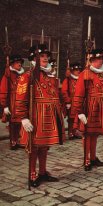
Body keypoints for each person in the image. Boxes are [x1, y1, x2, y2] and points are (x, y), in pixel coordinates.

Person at [15, 44, 65, 187]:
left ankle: (42, 172)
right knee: (34, 146)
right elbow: (21, 97)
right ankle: (32, 174)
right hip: (36, 116)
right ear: (34, 58)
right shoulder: (28, 76)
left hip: (48, 116)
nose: (45, 58)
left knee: (44, 146)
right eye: (41, 56)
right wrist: (23, 117)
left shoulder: (49, 76)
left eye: (46, 56)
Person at [71, 49, 103, 171]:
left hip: (100, 108)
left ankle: (93, 158)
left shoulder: (102, 74)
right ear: (92, 61)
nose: (100, 61)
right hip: (89, 107)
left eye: (101, 59)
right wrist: (79, 112)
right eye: (98, 59)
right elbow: (79, 93)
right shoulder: (85, 74)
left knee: (95, 134)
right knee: (88, 134)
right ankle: (87, 159)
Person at [0, 54, 25, 150]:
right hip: (11, 103)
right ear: (12, 64)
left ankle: (18, 139)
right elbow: (3, 90)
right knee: (13, 123)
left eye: (20, 63)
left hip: (21, 102)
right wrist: (5, 105)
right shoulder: (8, 75)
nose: (19, 64)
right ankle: (13, 141)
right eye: (17, 63)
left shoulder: (22, 75)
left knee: (20, 122)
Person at [61, 63, 83, 139]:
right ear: (72, 71)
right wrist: (67, 101)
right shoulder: (68, 80)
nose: (78, 72)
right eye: (76, 70)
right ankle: (70, 132)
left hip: (80, 101)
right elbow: (64, 91)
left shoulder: (81, 80)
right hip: (72, 102)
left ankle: (76, 131)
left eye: (79, 70)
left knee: (78, 117)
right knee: (71, 118)